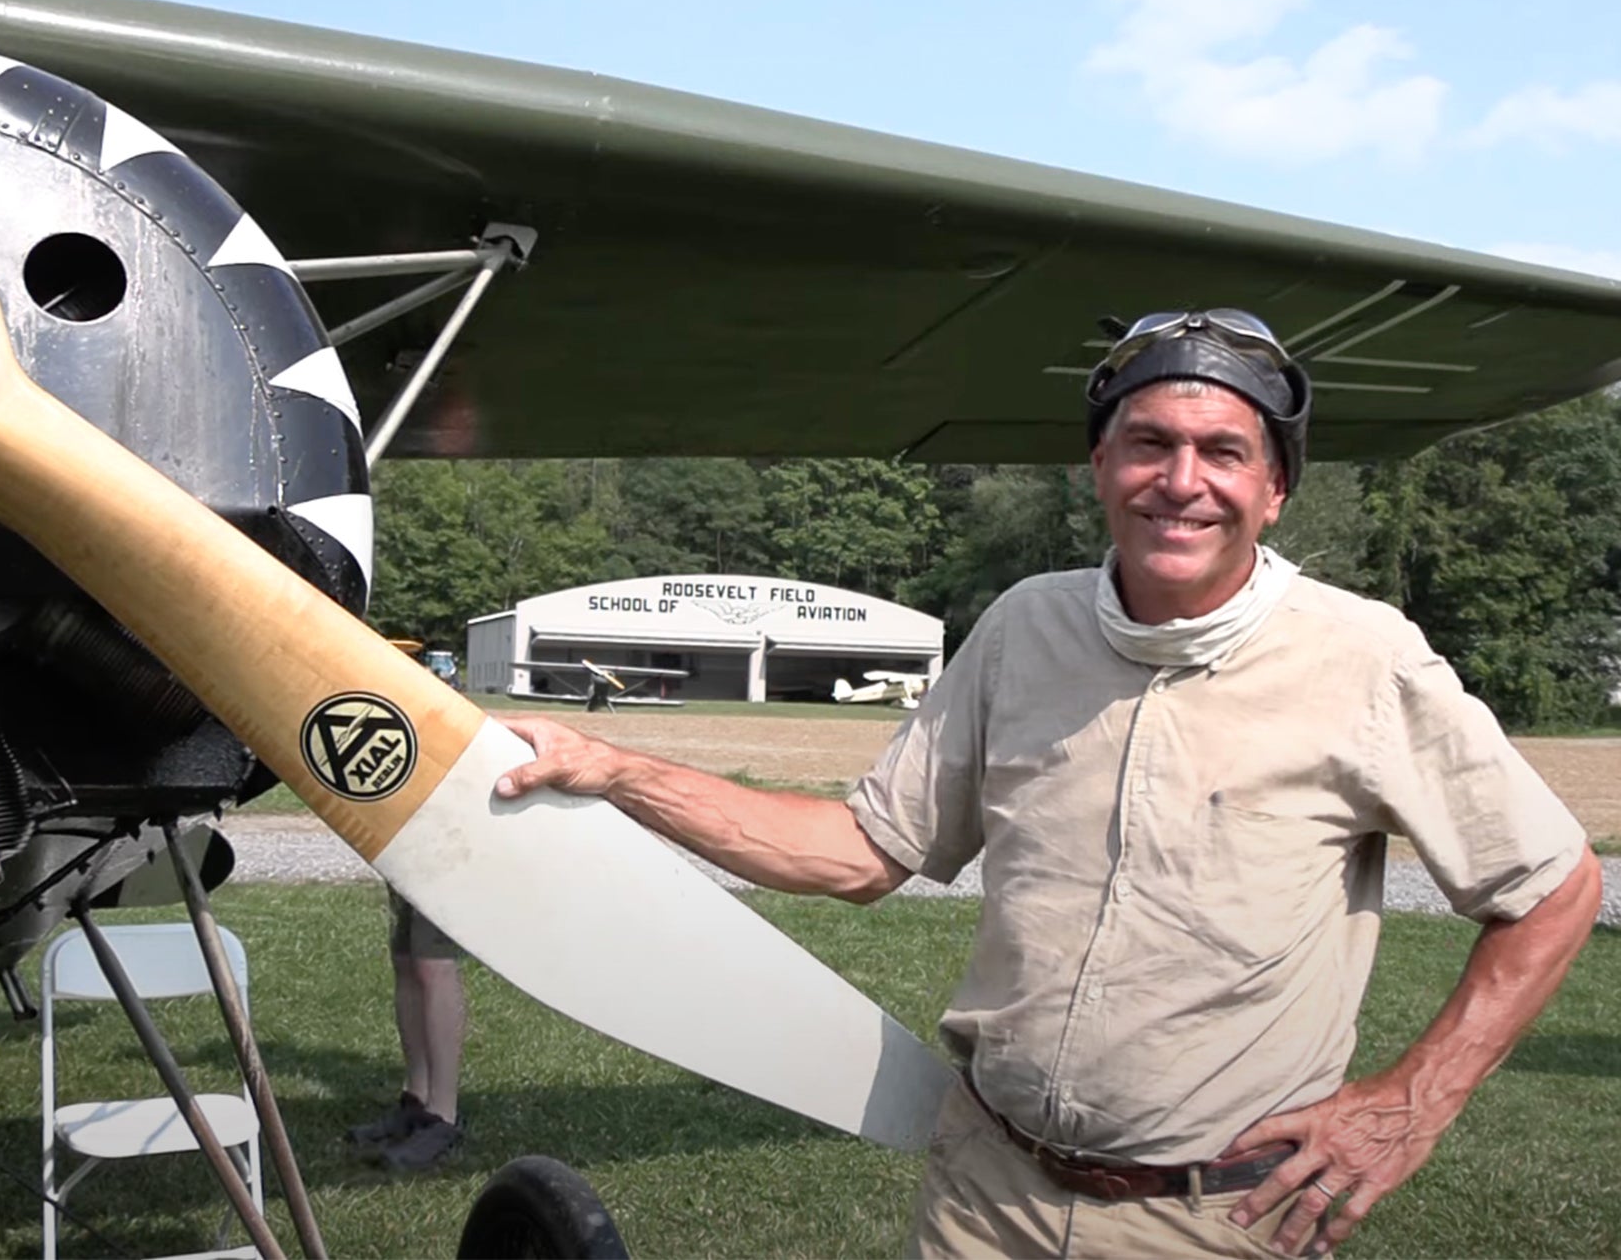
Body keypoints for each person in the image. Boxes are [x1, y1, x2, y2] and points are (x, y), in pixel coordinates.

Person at [495, 309, 1600, 1258]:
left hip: (1211, 1217)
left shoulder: (1363, 656)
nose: (1180, 481)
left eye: (1222, 452)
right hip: (985, 1193)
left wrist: (1409, 1106)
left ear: (1273, 491)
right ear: (1098, 469)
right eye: (1146, 444)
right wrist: (611, 768)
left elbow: (1550, 890)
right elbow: (860, 854)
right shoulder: (1024, 624)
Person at [346, 886, 468, 1171]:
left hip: (447, 852)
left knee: (434, 963)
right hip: (410, 847)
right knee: (406, 960)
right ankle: (417, 1099)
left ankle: (442, 1114)